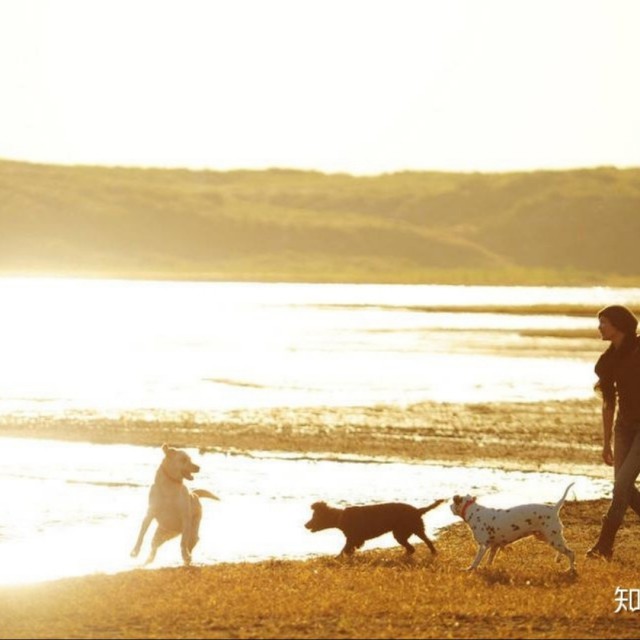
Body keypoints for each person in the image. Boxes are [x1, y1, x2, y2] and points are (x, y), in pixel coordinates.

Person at [586, 304, 640, 560]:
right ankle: (604, 547)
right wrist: (606, 442)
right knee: (624, 488)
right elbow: (609, 404)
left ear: (619, 325)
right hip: (624, 427)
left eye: (603, 322)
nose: (599, 327)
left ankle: (603, 546)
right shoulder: (607, 362)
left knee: (621, 486)